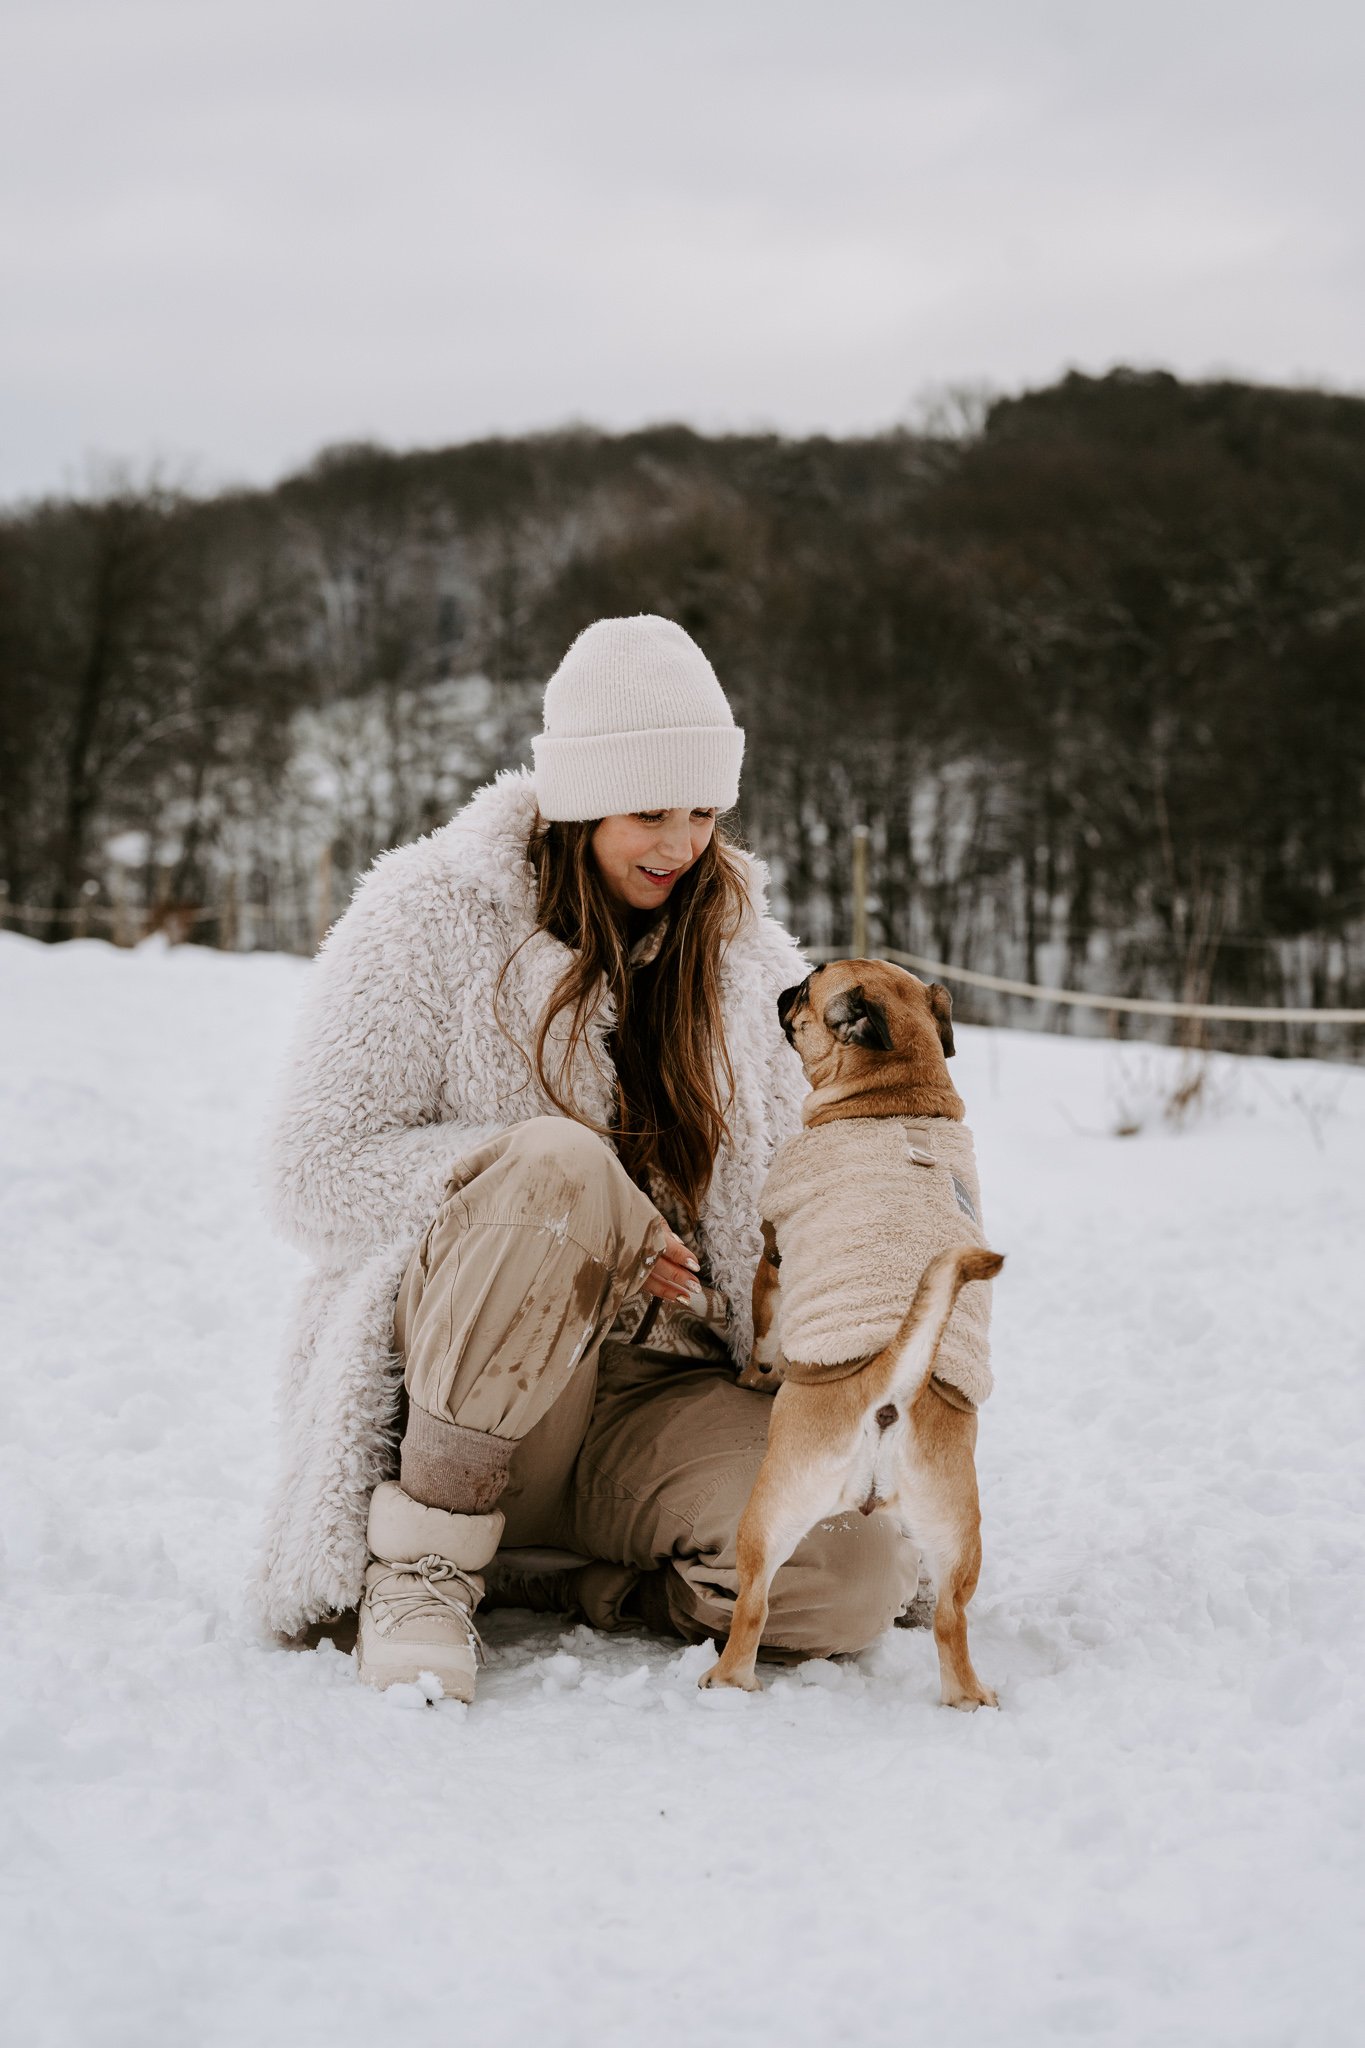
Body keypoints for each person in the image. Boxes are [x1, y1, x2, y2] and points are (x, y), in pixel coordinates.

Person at [256, 613, 911, 1699]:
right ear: (574, 798)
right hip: (475, 1379)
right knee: (556, 1160)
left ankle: (570, 1579)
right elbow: (311, 1167)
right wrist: (570, 1197)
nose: (681, 842)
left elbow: (808, 1178)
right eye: (649, 810)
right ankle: (424, 1559)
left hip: (659, 1394)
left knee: (852, 1572)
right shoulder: (428, 913)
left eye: (704, 810)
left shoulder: (745, 952)